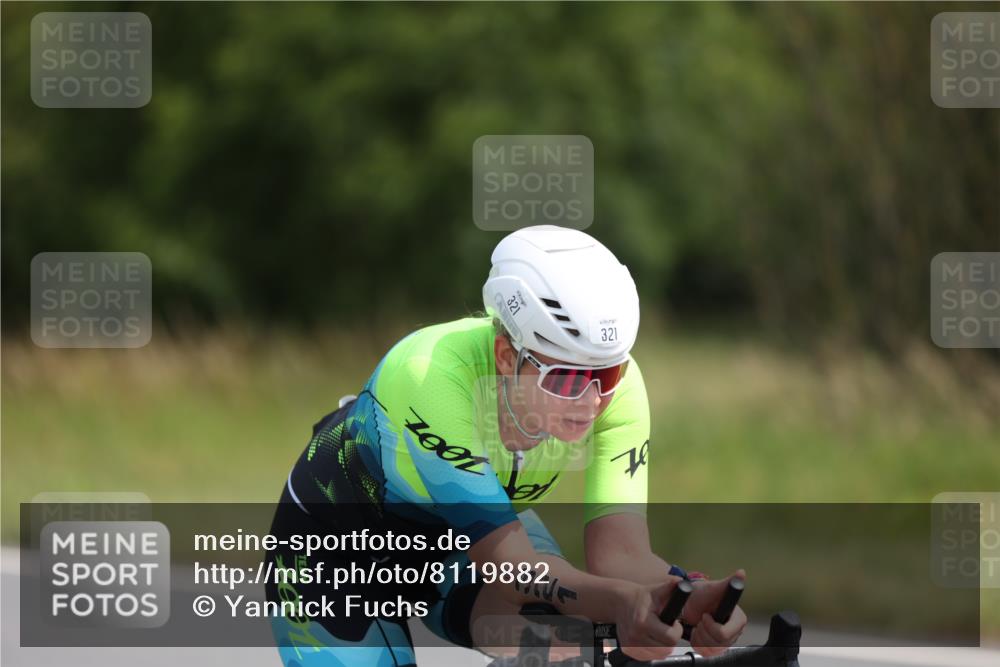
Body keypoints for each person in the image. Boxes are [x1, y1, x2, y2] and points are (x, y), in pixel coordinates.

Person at [265, 225, 747, 667]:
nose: (593, 399)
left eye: (607, 374)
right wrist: (625, 603)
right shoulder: (431, 376)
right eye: (568, 378)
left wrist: (684, 598)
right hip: (336, 549)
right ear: (505, 356)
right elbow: (511, 567)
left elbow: (621, 557)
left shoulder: (621, 390)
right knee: (587, 609)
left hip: (459, 543)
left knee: (567, 637)